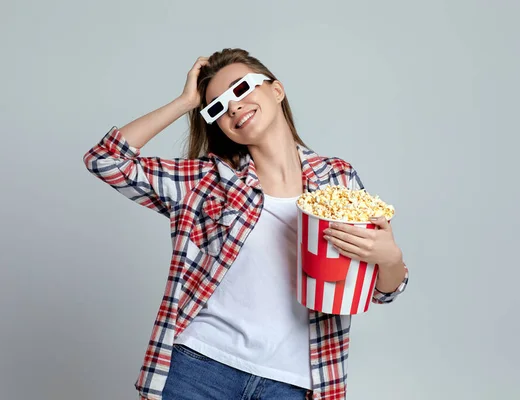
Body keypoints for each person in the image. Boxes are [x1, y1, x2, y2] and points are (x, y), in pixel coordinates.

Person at [83, 48, 409, 400]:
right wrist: (183, 103)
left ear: (277, 90)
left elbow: (379, 290)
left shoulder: (338, 180)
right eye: (218, 107)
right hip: (200, 369)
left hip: (292, 382)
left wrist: (389, 259)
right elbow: (105, 159)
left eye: (240, 89)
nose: (234, 107)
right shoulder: (207, 181)